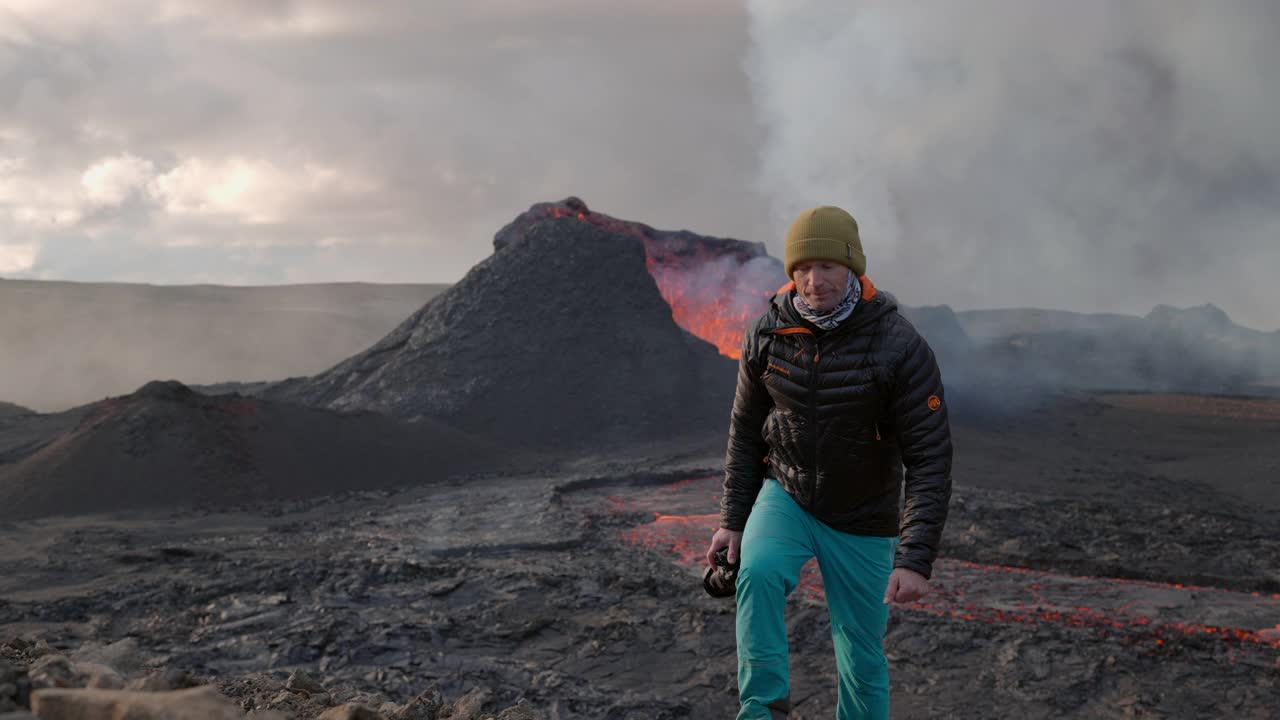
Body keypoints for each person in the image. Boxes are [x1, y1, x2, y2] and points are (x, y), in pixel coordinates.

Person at [705, 205, 952, 720]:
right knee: (758, 573)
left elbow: (929, 457)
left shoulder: (899, 346)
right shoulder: (768, 333)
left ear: (853, 268)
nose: (813, 281)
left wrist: (914, 558)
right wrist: (733, 520)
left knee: (861, 654)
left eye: (827, 268)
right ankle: (762, 711)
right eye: (801, 269)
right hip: (788, 494)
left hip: (863, 516)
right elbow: (747, 430)